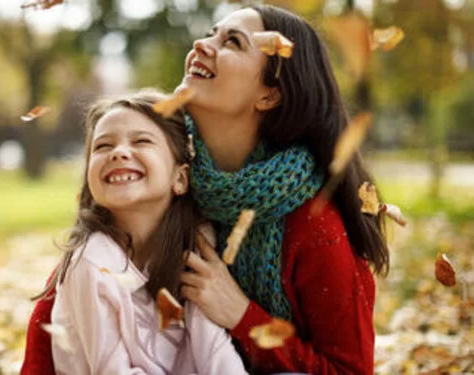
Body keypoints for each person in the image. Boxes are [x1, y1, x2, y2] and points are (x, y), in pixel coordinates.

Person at [21, 4, 389, 375]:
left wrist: (242, 316)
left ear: (269, 95)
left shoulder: (314, 224)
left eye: (232, 42)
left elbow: (350, 369)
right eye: (211, 32)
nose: (202, 43)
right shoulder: (168, 174)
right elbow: (69, 291)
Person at [24, 90, 248, 375]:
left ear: (180, 178)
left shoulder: (198, 246)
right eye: (103, 146)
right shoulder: (92, 261)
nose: (118, 152)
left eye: (141, 141)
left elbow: (215, 353)